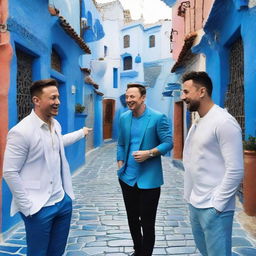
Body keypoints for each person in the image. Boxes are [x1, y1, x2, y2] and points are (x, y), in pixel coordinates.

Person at [3, 78, 92, 256]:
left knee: (57, 252)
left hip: (62, 202)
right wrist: (28, 207)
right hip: (39, 208)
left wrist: (81, 133)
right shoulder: (21, 132)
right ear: (36, 101)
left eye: (58, 97)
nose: (57, 102)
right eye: (52, 98)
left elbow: (59, 142)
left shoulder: (55, 125)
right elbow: (9, 172)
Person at [181, 71, 244, 256]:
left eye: (186, 92)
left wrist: (217, 206)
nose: (183, 97)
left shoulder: (224, 122)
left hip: (214, 208)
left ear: (202, 92)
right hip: (196, 204)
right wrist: (190, 198)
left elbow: (236, 169)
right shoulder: (198, 122)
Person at [117, 83, 173, 256]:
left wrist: (149, 153)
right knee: (132, 219)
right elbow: (121, 143)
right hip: (127, 178)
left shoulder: (157, 117)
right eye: (127, 97)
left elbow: (168, 143)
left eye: (132, 97)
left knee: (147, 223)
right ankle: (137, 250)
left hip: (149, 180)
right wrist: (120, 165)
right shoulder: (124, 118)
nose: (129, 100)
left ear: (143, 97)